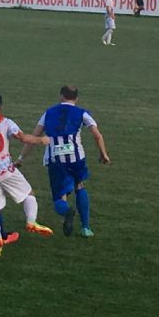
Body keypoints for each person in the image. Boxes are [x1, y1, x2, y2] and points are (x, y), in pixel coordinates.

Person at [17, 85, 111, 239]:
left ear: (61, 96)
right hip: (76, 157)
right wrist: (104, 154)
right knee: (79, 185)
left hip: (56, 159)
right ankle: (86, 228)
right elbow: (97, 135)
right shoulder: (82, 113)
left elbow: (33, 138)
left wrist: (21, 159)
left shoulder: (48, 113)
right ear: (76, 98)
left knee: (60, 197)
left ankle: (67, 211)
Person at [0, 93, 53, 257]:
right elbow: (23, 137)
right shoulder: (7, 122)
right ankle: (31, 221)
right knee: (28, 194)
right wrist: (42, 140)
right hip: (6, 170)